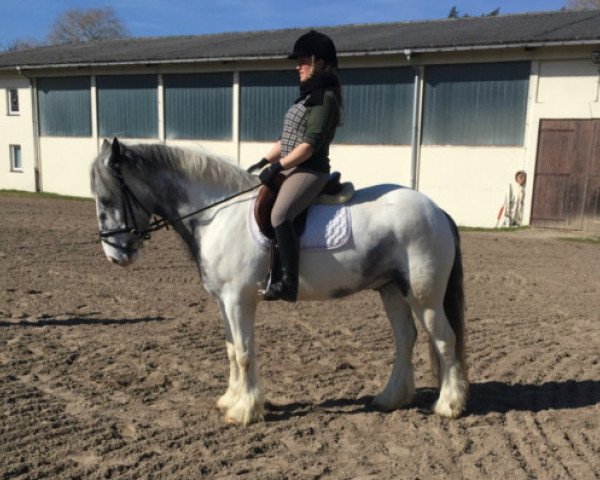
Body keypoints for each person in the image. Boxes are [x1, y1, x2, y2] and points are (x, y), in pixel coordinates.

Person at [246, 30, 342, 302]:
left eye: (303, 61)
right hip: (293, 166)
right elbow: (286, 140)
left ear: (320, 62)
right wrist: (264, 161)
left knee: (279, 216)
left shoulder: (325, 98)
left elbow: (309, 146)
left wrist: (279, 167)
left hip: (310, 170)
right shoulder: (306, 97)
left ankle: (288, 283)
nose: (297, 66)